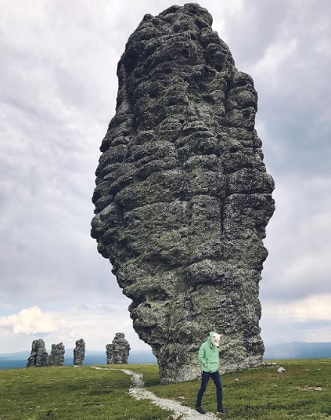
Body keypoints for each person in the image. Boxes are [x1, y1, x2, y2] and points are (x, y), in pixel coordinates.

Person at [195, 332, 228, 415]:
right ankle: (198, 406)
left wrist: (216, 365)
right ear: (212, 338)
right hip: (206, 371)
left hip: (215, 371)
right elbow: (200, 356)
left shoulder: (216, 346)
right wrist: (206, 365)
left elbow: (216, 356)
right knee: (203, 388)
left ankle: (220, 408)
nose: (217, 343)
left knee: (219, 387)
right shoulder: (204, 346)